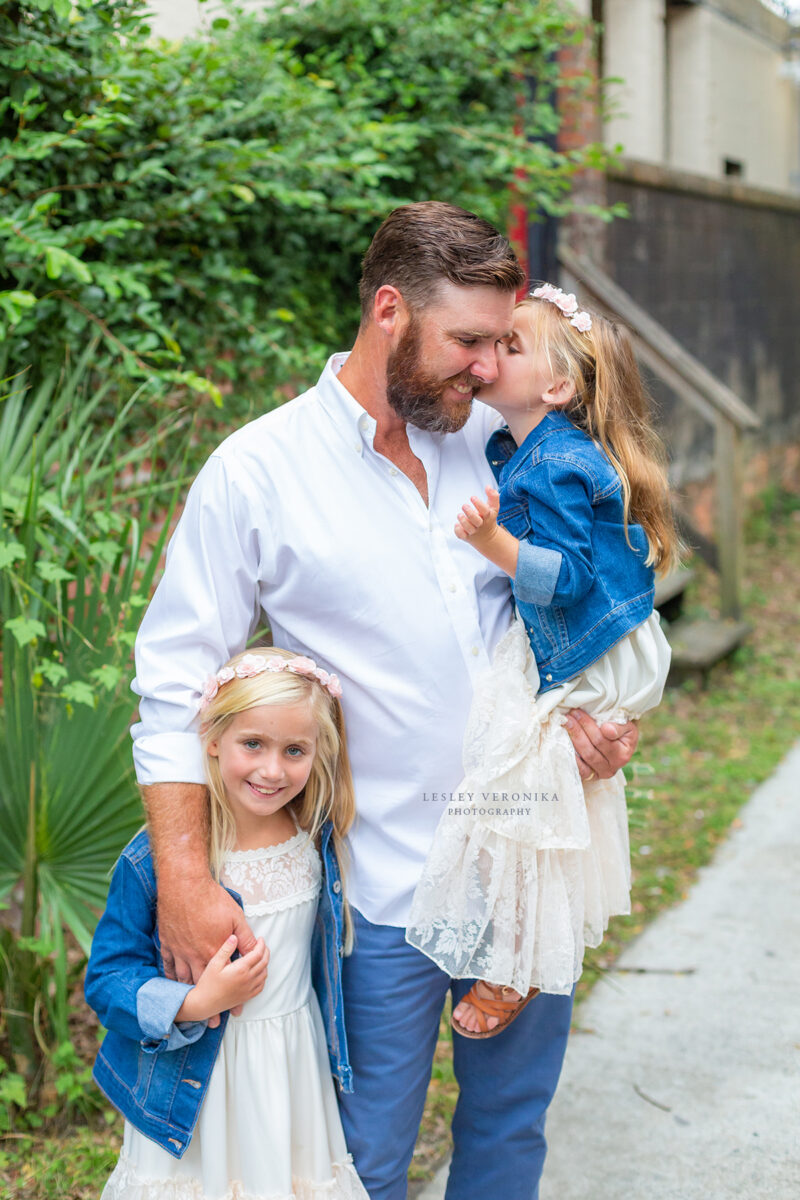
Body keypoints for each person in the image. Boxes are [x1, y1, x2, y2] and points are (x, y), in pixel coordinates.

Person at [130, 202, 641, 1200]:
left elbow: (594, 595)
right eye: (465, 341)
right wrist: (185, 882)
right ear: (387, 311)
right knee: (360, 1157)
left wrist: (595, 715)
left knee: (507, 1135)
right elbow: (170, 684)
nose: (485, 366)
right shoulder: (259, 470)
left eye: (500, 342)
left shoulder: (505, 441)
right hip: (379, 894)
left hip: (527, 860)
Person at [406, 285, 679, 1037]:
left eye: (510, 346)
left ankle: (516, 960)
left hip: (589, 650)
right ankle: (512, 947)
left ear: (557, 386)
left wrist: (492, 542)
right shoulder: (522, 447)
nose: (489, 358)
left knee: (522, 787)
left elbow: (569, 577)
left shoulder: (552, 463)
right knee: (529, 788)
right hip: (593, 645)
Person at [85, 648, 369, 1200]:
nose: (272, 769)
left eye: (295, 750)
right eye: (253, 744)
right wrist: (193, 1004)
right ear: (212, 739)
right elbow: (107, 980)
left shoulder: (314, 833)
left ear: (319, 754)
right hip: (198, 1078)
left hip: (291, 1067)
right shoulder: (163, 862)